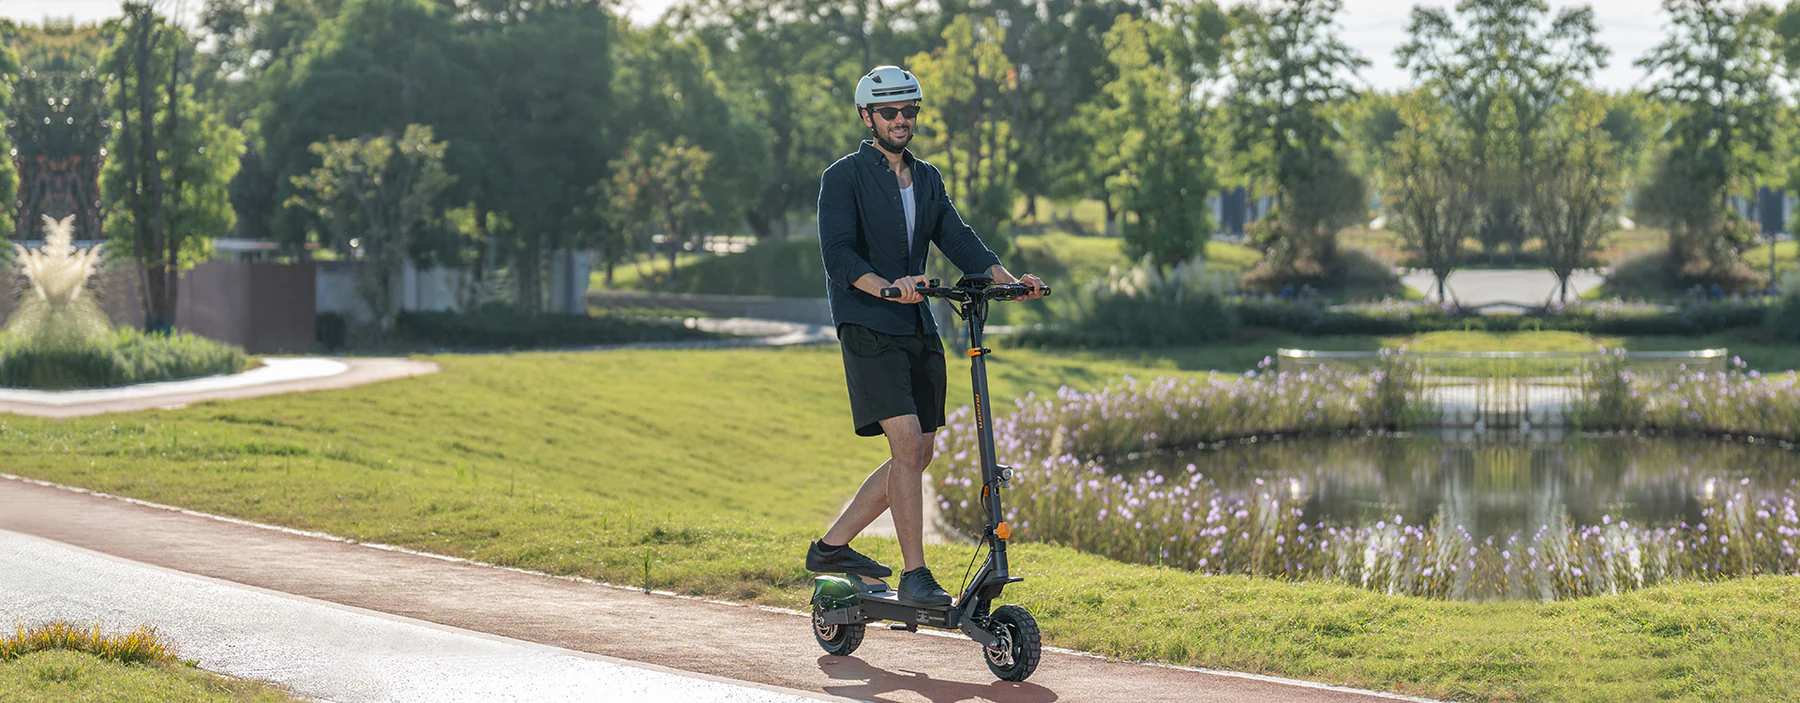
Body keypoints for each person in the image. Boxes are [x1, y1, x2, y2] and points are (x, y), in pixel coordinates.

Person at [805, 65, 1044, 606]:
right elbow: (838, 255)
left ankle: (832, 548)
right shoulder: (842, 177)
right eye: (890, 112)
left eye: (909, 110)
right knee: (908, 444)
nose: (901, 120)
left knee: (920, 451)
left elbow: (960, 240)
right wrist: (886, 288)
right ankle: (916, 575)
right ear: (867, 117)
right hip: (868, 324)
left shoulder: (928, 178)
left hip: (918, 323)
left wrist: (1012, 282)